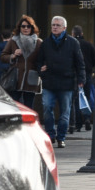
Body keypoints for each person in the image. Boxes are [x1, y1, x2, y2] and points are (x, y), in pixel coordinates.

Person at [35, 15, 85, 147]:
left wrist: (81, 79)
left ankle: (61, 137)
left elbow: (80, 63)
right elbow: (39, 61)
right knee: (47, 108)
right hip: (49, 82)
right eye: (53, 25)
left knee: (65, 113)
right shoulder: (46, 43)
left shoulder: (73, 42)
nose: (55, 27)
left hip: (66, 83)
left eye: (58, 25)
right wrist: (41, 70)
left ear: (64, 28)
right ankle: (50, 135)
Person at [2, 15, 42, 108]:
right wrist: (13, 55)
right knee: (15, 106)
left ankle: (27, 123)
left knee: (29, 106)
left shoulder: (39, 42)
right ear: (19, 28)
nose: (26, 28)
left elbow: (42, 59)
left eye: (28, 26)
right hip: (16, 78)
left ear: (32, 28)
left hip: (31, 78)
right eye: (23, 26)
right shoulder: (13, 41)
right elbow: (3, 56)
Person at [71, 24, 95, 131]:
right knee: (85, 97)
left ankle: (78, 124)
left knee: (76, 100)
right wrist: (90, 66)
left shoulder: (72, 44)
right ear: (82, 34)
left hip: (75, 75)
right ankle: (87, 118)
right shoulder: (88, 45)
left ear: (73, 34)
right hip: (87, 74)